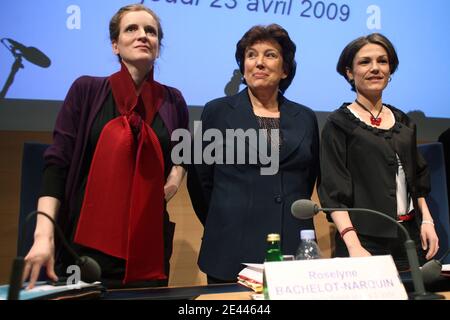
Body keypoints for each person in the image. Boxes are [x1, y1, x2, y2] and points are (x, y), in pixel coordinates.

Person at [22, 4, 188, 289]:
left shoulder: (173, 100)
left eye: (151, 31)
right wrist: (43, 236)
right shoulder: (86, 90)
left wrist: (170, 185)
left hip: (148, 246)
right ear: (115, 45)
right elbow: (57, 166)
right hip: (85, 248)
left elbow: (183, 156)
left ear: (158, 48)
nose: (143, 35)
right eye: (131, 29)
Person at [187, 24, 319, 283]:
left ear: (285, 70)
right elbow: (200, 182)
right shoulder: (217, 112)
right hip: (230, 248)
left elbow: (307, 179)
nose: (259, 62)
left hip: (291, 248)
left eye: (270, 55)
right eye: (251, 55)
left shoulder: (305, 117)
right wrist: (225, 220)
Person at [318, 33, 439, 271]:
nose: (375, 68)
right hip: (363, 242)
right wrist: (353, 245)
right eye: (365, 62)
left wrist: (427, 220)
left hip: (409, 237)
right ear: (349, 73)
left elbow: (417, 180)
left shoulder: (403, 121)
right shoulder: (339, 123)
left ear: (390, 70)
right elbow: (334, 195)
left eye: (382, 61)